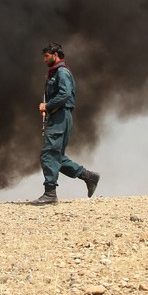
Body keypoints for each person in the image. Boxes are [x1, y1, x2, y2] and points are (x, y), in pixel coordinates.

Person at [30, 42, 100, 204]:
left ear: (55, 55)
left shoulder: (62, 72)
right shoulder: (55, 73)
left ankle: (50, 194)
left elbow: (65, 94)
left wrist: (47, 106)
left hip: (60, 117)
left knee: (49, 154)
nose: (44, 60)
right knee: (57, 156)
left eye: (46, 56)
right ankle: (88, 176)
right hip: (59, 116)